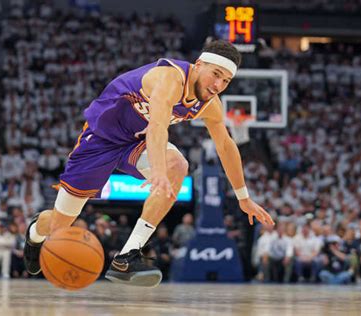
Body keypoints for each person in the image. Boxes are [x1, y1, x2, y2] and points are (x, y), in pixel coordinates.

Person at [24, 40, 275, 287]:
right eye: (216, 74)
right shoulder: (169, 79)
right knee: (59, 224)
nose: (218, 85)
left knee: (178, 165)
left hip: (137, 142)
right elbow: (157, 126)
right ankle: (35, 231)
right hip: (102, 139)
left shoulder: (210, 105)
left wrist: (243, 197)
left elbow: (226, 145)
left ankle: (127, 256)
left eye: (226, 81)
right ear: (199, 65)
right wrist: (157, 171)